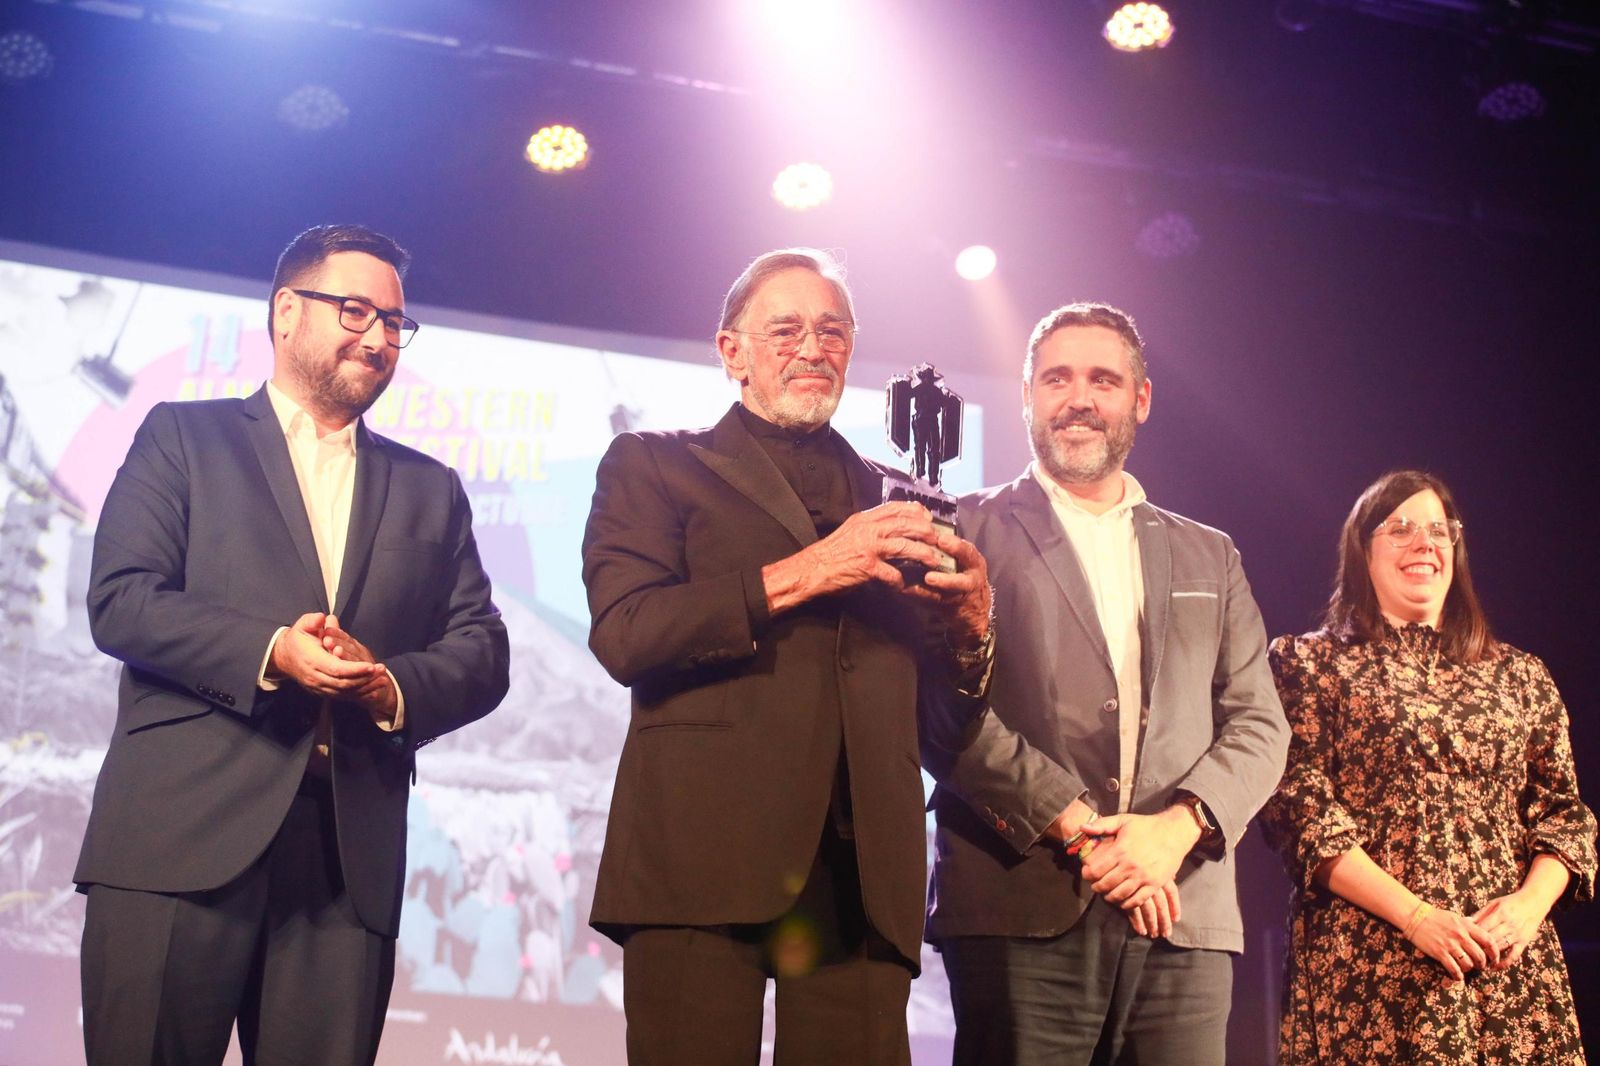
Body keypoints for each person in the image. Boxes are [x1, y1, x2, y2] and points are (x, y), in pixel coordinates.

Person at [75, 224, 511, 1065]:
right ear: (285, 312)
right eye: (356, 310)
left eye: (395, 322)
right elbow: (122, 601)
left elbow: (481, 650)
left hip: (344, 865)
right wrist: (272, 650)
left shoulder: (431, 487)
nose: (380, 337)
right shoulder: (182, 437)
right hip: (176, 841)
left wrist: (387, 685)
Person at [581, 247, 993, 1065]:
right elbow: (627, 633)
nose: (813, 348)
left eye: (832, 331)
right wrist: (808, 572)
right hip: (701, 858)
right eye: (786, 329)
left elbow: (944, 720)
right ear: (731, 351)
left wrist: (974, 631)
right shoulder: (655, 464)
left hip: (862, 873)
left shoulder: (902, 501)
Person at [919, 301, 1289, 1065]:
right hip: (1022, 904)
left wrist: (1176, 828)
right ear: (1026, 396)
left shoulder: (1210, 555)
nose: (1079, 397)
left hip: (1181, 911)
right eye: (1057, 378)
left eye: (1103, 379)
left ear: (1140, 400)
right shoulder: (959, 530)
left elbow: (1260, 725)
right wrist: (1087, 836)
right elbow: (936, 707)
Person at [1259, 469, 1596, 1064]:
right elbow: (1300, 811)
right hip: (1372, 963)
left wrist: (1524, 910)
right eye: (1401, 528)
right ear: (1363, 551)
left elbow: (1566, 817)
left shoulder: (1521, 675)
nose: (1425, 543)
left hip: (1505, 966)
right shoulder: (1309, 665)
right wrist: (1416, 918)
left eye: (1440, 531)